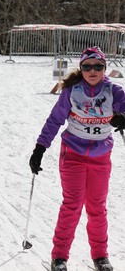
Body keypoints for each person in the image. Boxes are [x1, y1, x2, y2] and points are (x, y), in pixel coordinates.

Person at [29, 46, 125, 271]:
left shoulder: (114, 92)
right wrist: (40, 148)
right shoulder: (72, 91)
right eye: (87, 66)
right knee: (72, 205)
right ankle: (59, 257)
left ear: (105, 68)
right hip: (73, 154)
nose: (93, 71)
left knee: (97, 207)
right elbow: (55, 120)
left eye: (98, 66)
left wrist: (123, 118)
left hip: (101, 157)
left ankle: (100, 256)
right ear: (81, 69)